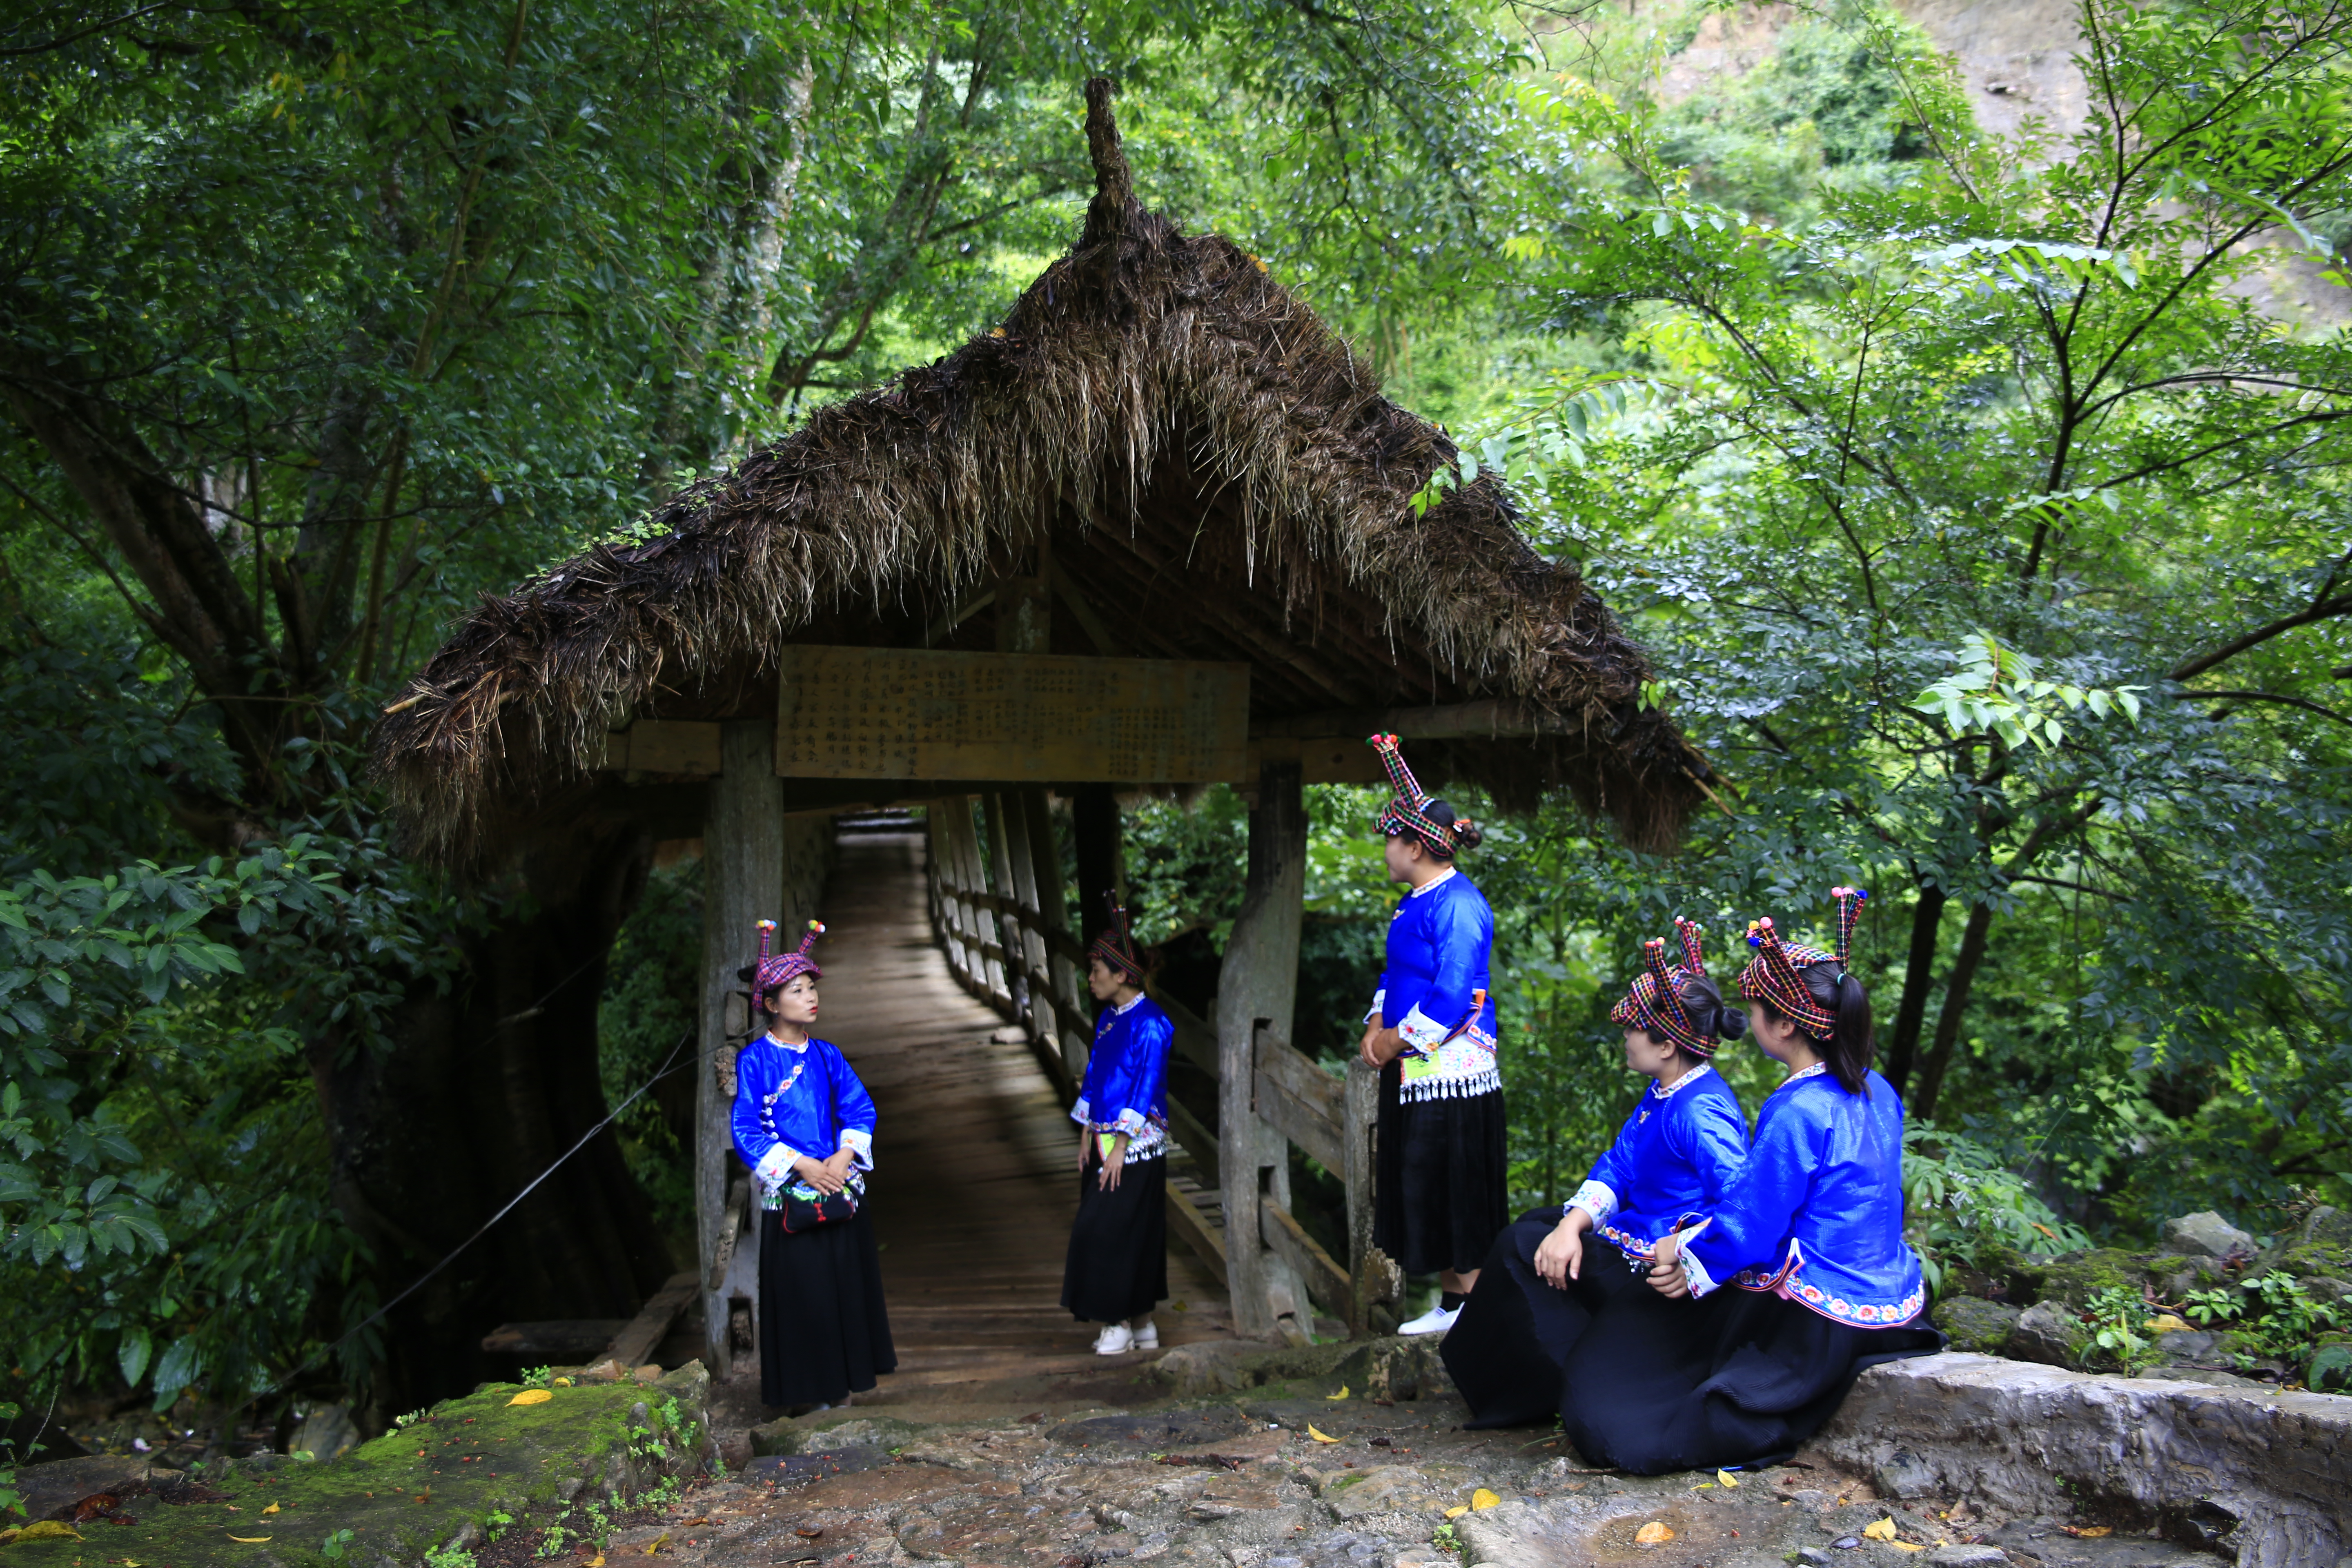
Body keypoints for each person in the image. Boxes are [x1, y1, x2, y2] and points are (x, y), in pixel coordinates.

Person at [1559, 889, 1943, 1474]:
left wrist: (1683, 1255)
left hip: (1818, 1313)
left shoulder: (1797, 1109)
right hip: (1892, 1294)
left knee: (1618, 1382)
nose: (1747, 1018)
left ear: (1785, 1023)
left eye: (1756, 1007)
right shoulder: (1878, 1088)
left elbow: (1754, 1229)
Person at [1442, 920, 1751, 1425]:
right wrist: (1570, 1226)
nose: (1626, 1036)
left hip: (1654, 1266)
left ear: (1667, 1045)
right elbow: (1621, 1164)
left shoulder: (1700, 1112)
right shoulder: (1667, 1091)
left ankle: (1551, 1382)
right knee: (1542, 1225)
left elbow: (1738, 1201)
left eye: (1634, 1028)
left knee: (1517, 1246)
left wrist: (1686, 1252)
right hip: (1631, 1232)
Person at [1357, 733, 1509, 1336]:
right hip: (1419, 1068)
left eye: (1391, 840)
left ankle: (1470, 1306)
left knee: (1455, 1181)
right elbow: (1396, 973)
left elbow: (1450, 995)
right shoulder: (1416, 901)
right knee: (1428, 1181)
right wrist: (1376, 1022)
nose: (1386, 851)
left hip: (1452, 1073)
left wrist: (1393, 1041)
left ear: (1416, 845)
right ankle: (1452, 1304)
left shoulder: (1459, 906)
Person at [731, 918, 896, 1413]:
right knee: (805, 1295)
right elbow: (747, 1130)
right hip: (793, 1195)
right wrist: (802, 1165)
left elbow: (860, 1107)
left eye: (811, 989)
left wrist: (842, 1159)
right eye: (797, 991)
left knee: (843, 1289)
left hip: (838, 1185)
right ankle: (809, 1396)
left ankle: (844, 1386)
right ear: (771, 1003)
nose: (810, 998)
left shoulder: (828, 1055)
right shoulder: (756, 1061)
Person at [1061, 898, 1176, 1354]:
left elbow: (1144, 1087)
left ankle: (1118, 1322)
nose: (1090, 980)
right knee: (1123, 1228)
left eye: (1096, 972)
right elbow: (1095, 1076)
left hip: (1134, 1147)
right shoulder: (1110, 1019)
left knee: (1112, 1230)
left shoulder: (1152, 1024)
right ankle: (1142, 1321)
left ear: (1123, 974)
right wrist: (1088, 1135)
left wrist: (1120, 1149)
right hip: (1105, 1141)